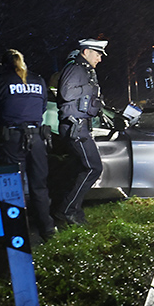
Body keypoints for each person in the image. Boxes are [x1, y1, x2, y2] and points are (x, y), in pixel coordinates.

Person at [0, 49, 54, 242]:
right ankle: (47, 231)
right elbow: (43, 107)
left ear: (4, 64)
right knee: (39, 186)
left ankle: (16, 233)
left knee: (13, 187)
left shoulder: (2, 81)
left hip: (12, 139)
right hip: (37, 139)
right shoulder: (38, 80)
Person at [53, 38, 108, 226]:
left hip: (80, 126)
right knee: (93, 167)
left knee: (81, 169)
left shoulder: (85, 70)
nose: (100, 59)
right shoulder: (75, 68)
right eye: (98, 54)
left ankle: (71, 210)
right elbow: (66, 93)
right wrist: (89, 88)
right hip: (75, 127)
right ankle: (66, 211)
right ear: (86, 52)